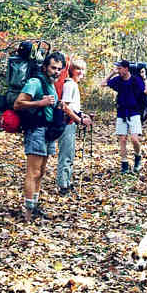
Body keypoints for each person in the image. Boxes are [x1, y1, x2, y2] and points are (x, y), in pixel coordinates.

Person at [14, 51, 65, 219]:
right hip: (36, 130)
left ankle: (34, 206)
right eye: (53, 68)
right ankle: (27, 212)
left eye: (59, 69)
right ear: (45, 67)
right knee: (33, 172)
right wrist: (40, 102)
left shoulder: (51, 85)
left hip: (47, 133)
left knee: (41, 172)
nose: (56, 71)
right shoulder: (35, 82)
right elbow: (18, 104)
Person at [101, 59, 147, 174]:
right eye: (117, 68)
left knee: (134, 139)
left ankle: (138, 157)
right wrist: (112, 73)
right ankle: (124, 164)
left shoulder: (135, 80)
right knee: (122, 139)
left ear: (126, 68)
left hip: (134, 112)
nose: (118, 70)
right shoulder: (118, 80)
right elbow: (103, 84)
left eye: (119, 68)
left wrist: (144, 78)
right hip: (121, 112)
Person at [56, 57, 92, 196]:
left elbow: (72, 107)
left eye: (83, 69)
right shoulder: (70, 85)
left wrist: (82, 115)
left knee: (69, 154)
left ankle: (67, 182)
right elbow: (64, 106)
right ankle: (63, 186)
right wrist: (79, 120)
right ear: (71, 70)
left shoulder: (72, 84)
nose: (81, 72)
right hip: (66, 124)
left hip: (70, 122)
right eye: (78, 69)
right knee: (66, 155)